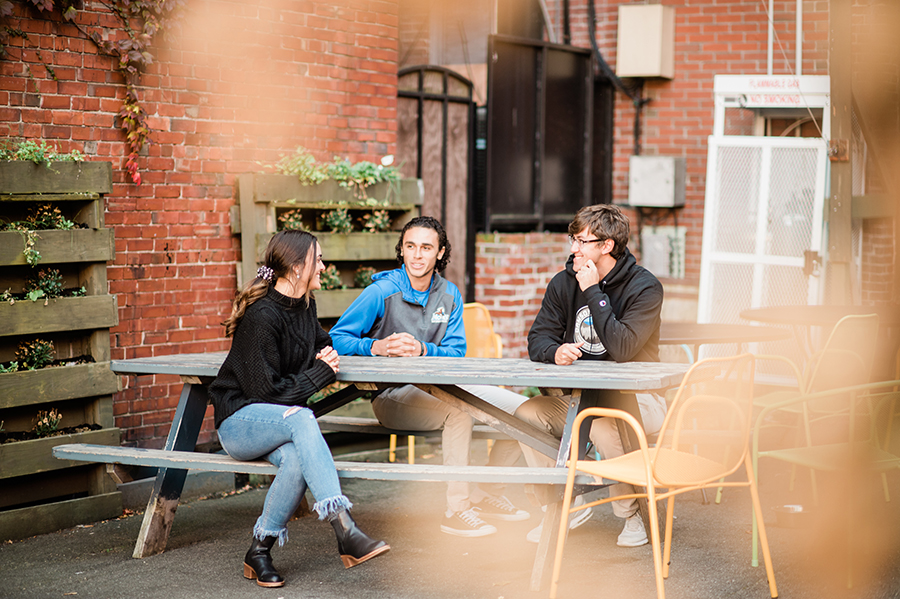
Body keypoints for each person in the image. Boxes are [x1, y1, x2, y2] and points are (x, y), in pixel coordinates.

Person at [208, 230, 389, 588]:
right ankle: (344, 527)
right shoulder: (261, 317)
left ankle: (259, 550)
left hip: (283, 421)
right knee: (303, 417)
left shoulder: (306, 305)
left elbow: (322, 345)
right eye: (317, 260)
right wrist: (320, 374)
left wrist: (365, 349)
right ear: (295, 267)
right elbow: (268, 393)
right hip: (240, 423)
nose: (323, 266)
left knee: (296, 461)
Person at [329, 216, 529, 538]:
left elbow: (456, 352)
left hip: (442, 389)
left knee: (519, 407)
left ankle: (487, 492)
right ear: (402, 250)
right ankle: (457, 509)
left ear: (440, 252)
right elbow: (336, 338)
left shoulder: (449, 295)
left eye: (426, 247)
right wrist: (375, 346)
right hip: (392, 397)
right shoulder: (381, 291)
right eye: (410, 247)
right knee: (459, 412)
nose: (417, 255)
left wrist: (423, 349)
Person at [516, 204, 666, 547]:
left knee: (601, 422)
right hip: (578, 399)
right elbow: (538, 337)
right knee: (526, 414)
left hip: (640, 399)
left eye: (582, 241)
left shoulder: (644, 288)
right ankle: (563, 505)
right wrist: (554, 351)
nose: (574, 249)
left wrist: (594, 291)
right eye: (573, 239)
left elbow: (624, 348)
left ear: (607, 245)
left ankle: (631, 514)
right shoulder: (562, 282)